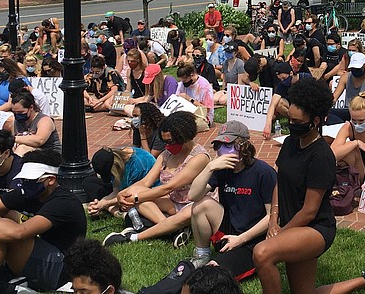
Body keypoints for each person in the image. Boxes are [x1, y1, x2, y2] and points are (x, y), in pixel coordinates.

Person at [252, 77, 337, 293]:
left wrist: (281, 232)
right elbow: (280, 182)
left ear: (315, 121)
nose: (292, 126)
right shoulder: (291, 142)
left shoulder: (321, 156)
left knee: (262, 253)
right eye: (290, 120)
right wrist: (273, 219)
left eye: (297, 123)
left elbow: (310, 211)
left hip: (314, 229)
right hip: (291, 224)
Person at [0, 149, 87, 293]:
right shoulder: (27, 192)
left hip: (62, 268)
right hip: (38, 253)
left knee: (1, 234)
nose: (24, 184)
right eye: (23, 179)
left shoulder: (64, 202)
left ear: (51, 180)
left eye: (30, 180)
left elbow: (19, 233)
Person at [104, 112, 210, 248]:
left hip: (193, 203)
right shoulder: (166, 154)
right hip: (172, 202)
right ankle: (171, 230)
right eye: (164, 141)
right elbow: (145, 182)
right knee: (136, 193)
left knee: (143, 200)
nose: (167, 146)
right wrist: (124, 194)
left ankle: (134, 237)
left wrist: (135, 199)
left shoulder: (199, 157)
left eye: (170, 141)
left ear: (184, 137)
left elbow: (168, 187)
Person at [188, 121, 276, 280]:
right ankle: (202, 255)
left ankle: (230, 260)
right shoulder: (222, 170)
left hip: (253, 241)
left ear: (243, 146)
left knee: (211, 276)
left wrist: (240, 239)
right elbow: (193, 196)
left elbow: (272, 216)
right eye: (219, 146)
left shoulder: (263, 172)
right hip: (230, 230)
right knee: (200, 204)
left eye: (227, 145)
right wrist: (210, 167)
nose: (222, 151)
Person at [84, 146, 157, 217]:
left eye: (111, 175)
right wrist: (101, 203)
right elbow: (116, 189)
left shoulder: (138, 166)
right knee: (89, 182)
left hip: (143, 193)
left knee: (130, 203)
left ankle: (118, 213)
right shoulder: (118, 157)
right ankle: (111, 209)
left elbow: (130, 195)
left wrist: (106, 203)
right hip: (124, 191)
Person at [263, 62, 313, 139]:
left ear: (291, 73)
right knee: (279, 103)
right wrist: (268, 124)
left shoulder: (306, 78)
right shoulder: (282, 85)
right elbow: (273, 104)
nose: (283, 81)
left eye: (284, 78)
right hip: (293, 106)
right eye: (280, 79)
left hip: (307, 105)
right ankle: (294, 120)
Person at [9, 90, 61, 156]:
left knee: (22, 148)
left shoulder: (44, 120)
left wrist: (13, 139)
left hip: (50, 156)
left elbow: (39, 140)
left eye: (20, 112)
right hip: (28, 157)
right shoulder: (16, 123)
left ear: (31, 107)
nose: (17, 115)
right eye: (14, 112)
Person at [330, 52, 365, 122]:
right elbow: (335, 97)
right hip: (349, 110)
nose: (355, 70)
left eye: (357, 68)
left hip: (364, 111)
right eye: (353, 68)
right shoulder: (345, 77)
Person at [175, 63, 214, 127]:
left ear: (191, 75)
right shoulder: (181, 84)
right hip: (186, 113)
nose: (183, 82)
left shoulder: (204, 86)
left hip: (202, 116)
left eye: (184, 80)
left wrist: (190, 99)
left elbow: (207, 109)